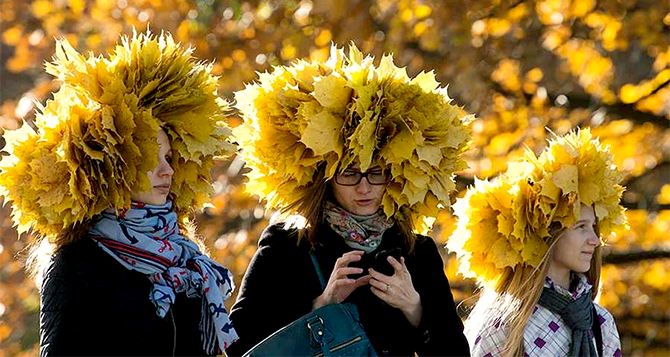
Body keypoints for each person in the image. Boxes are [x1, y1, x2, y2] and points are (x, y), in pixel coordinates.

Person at [0, 31, 238, 356]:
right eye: (149, 161)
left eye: (168, 158)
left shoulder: (187, 260)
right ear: (118, 168)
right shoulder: (77, 263)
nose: (166, 171)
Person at [226, 44, 472, 356]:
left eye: (377, 173)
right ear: (325, 178)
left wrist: (415, 308)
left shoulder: (416, 252)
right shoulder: (287, 245)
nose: (364, 187)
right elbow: (238, 343)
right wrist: (321, 304)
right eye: (350, 174)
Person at [447, 129, 626, 357]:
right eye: (581, 227)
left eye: (594, 227)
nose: (594, 240)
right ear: (548, 232)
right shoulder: (503, 322)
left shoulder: (601, 324)